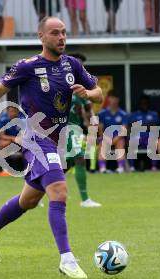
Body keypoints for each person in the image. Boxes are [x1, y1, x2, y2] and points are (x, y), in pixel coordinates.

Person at [0, 16, 102, 278]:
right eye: (55, 33)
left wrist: (88, 94)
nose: (61, 38)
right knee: (59, 191)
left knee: (29, 201)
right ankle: (67, 259)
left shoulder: (73, 65)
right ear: (41, 37)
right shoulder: (28, 66)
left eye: (64, 33)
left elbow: (98, 92)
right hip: (36, 138)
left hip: (57, 141)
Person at [66, 53, 101, 207]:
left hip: (75, 128)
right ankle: (85, 199)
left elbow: (89, 109)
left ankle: (36, 191)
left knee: (65, 164)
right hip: (61, 128)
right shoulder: (60, 82)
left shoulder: (82, 86)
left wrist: (93, 126)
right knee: (79, 158)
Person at [97, 92, 128, 174]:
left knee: (120, 143)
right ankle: (102, 168)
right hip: (106, 137)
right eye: (112, 98)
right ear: (108, 99)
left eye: (115, 98)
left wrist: (114, 140)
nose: (114, 100)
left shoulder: (123, 114)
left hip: (118, 137)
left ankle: (120, 168)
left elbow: (123, 130)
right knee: (102, 145)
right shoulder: (102, 113)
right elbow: (100, 129)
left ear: (118, 100)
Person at [128, 95, 160, 171]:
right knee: (132, 141)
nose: (144, 105)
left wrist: (139, 126)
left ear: (149, 104)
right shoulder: (134, 115)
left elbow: (155, 127)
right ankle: (132, 167)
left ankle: (154, 167)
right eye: (142, 103)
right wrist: (147, 126)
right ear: (139, 104)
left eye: (146, 103)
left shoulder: (154, 114)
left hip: (150, 137)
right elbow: (131, 127)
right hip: (137, 137)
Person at [0, 106, 24, 176]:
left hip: (19, 140)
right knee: (3, 144)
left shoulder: (22, 120)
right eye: (10, 111)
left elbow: (25, 134)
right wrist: (12, 138)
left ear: (17, 112)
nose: (12, 113)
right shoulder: (3, 120)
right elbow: (1, 135)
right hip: (9, 140)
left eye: (14, 111)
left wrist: (19, 139)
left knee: (28, 143)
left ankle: (26, 168)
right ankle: (4, 169)